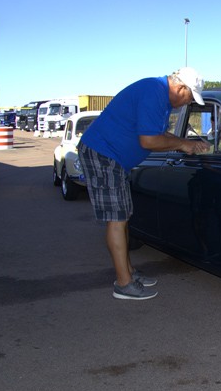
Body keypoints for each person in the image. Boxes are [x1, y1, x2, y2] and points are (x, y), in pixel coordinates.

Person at [78, 67, 210, 300]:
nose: (187, 103)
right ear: (180, 88)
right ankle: (123, 284)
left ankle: (128, 272)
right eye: (189, 98)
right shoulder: (153, 92)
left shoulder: (160, 97)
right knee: (116, 220)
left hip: (114, 159)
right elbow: (149, 140)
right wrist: (181, 146)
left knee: (123, 216)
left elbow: (161, 134)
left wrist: (187, 142)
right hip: (103, 154)